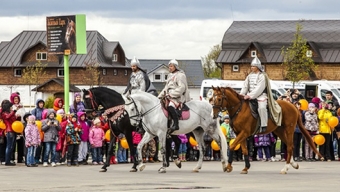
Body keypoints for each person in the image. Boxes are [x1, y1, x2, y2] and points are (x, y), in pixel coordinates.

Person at [240, 56, 281, 133]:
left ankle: (263, 125)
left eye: (253, 66)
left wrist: (250, 96)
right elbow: (245, 86)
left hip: (261, 96)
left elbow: (259, 88)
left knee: (261, 108)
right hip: (249, 96)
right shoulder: (249, 76)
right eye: (251, 66)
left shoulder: (262, 76)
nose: (251, 67)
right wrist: (242, 94)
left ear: (257, 67)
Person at [158, 59, 190, 132]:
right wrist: (159, 97)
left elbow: (182, 88)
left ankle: (176, 124)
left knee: (170, 106)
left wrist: (171, 94)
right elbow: (166, 88)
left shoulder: (180, 75)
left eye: (171, 66)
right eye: (169, 66)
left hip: (177, 97)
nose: (169, 68)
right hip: (168, 96)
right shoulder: (169, 76)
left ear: (175, 67)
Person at [1, 100, 17, 166]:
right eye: (10, 106)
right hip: (9, 130)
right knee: (9, 146)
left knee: (11, 146)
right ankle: (7, 161)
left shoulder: (9, 112)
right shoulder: (4, 113)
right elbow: (7, 117)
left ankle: (9, 159)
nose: (11, 107)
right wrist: (14, 111)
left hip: (12, 130)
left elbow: (12, 119)